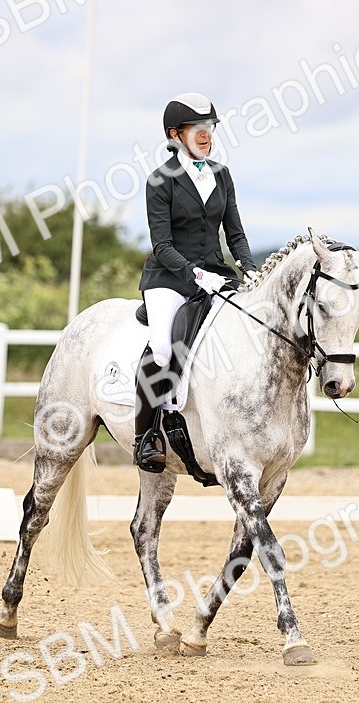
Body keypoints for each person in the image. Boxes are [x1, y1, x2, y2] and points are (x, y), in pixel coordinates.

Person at [132, 92, 257, 472]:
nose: (206, 134)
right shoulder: (160, 181)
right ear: (175, 134)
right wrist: (196, 274)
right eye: (196, 128)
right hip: (169, 278)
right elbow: (162, 245)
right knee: (162, 348)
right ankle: (146, 437)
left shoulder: (222, 174)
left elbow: (235, 234)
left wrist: (250, 269)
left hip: (217, 274)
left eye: (209, 127)